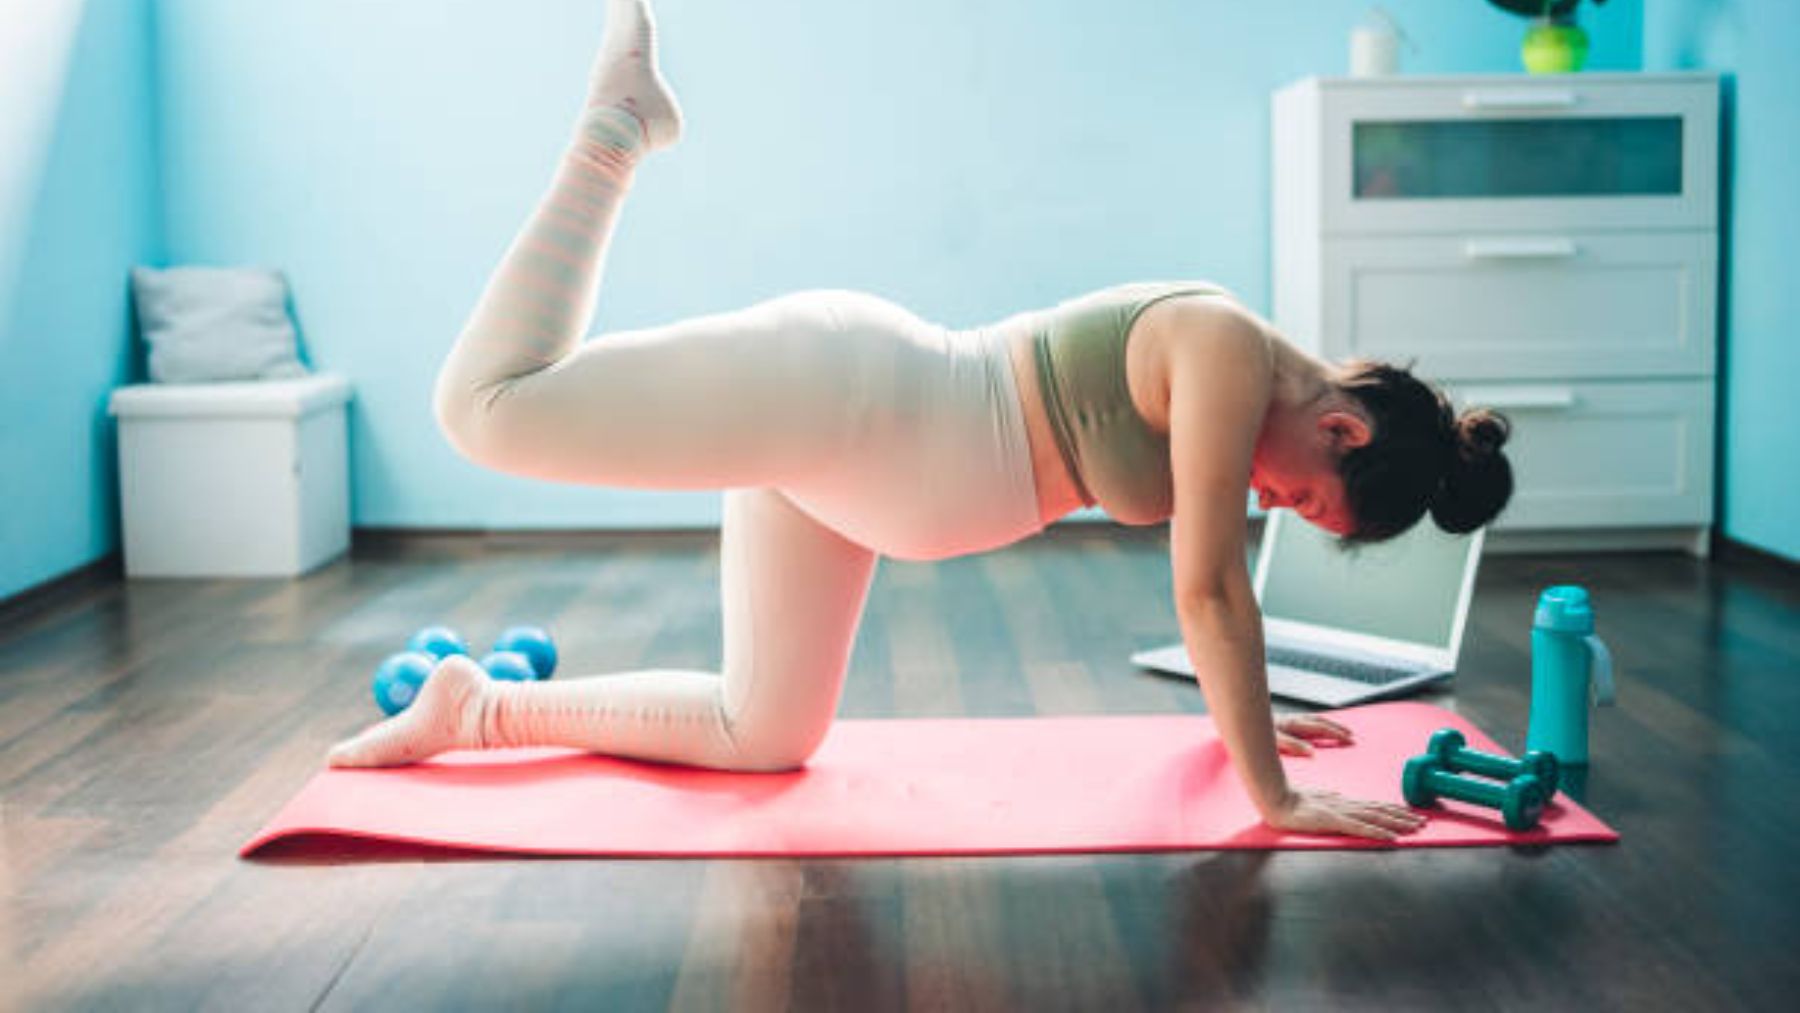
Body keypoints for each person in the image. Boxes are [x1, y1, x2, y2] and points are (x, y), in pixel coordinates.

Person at [327, 0, 1514, 844]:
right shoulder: (1222, 348)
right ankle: (616, 129)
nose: (1273, 502)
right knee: (483, 409)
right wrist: (1273, 793)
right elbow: (1208, 589)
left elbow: (1219, 599)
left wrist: (1248, 725)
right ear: (1344, 429)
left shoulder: (1245, 383)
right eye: (1301, 493)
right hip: (848, 401)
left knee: (764, 730)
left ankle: (472, 709)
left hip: (852, 466)